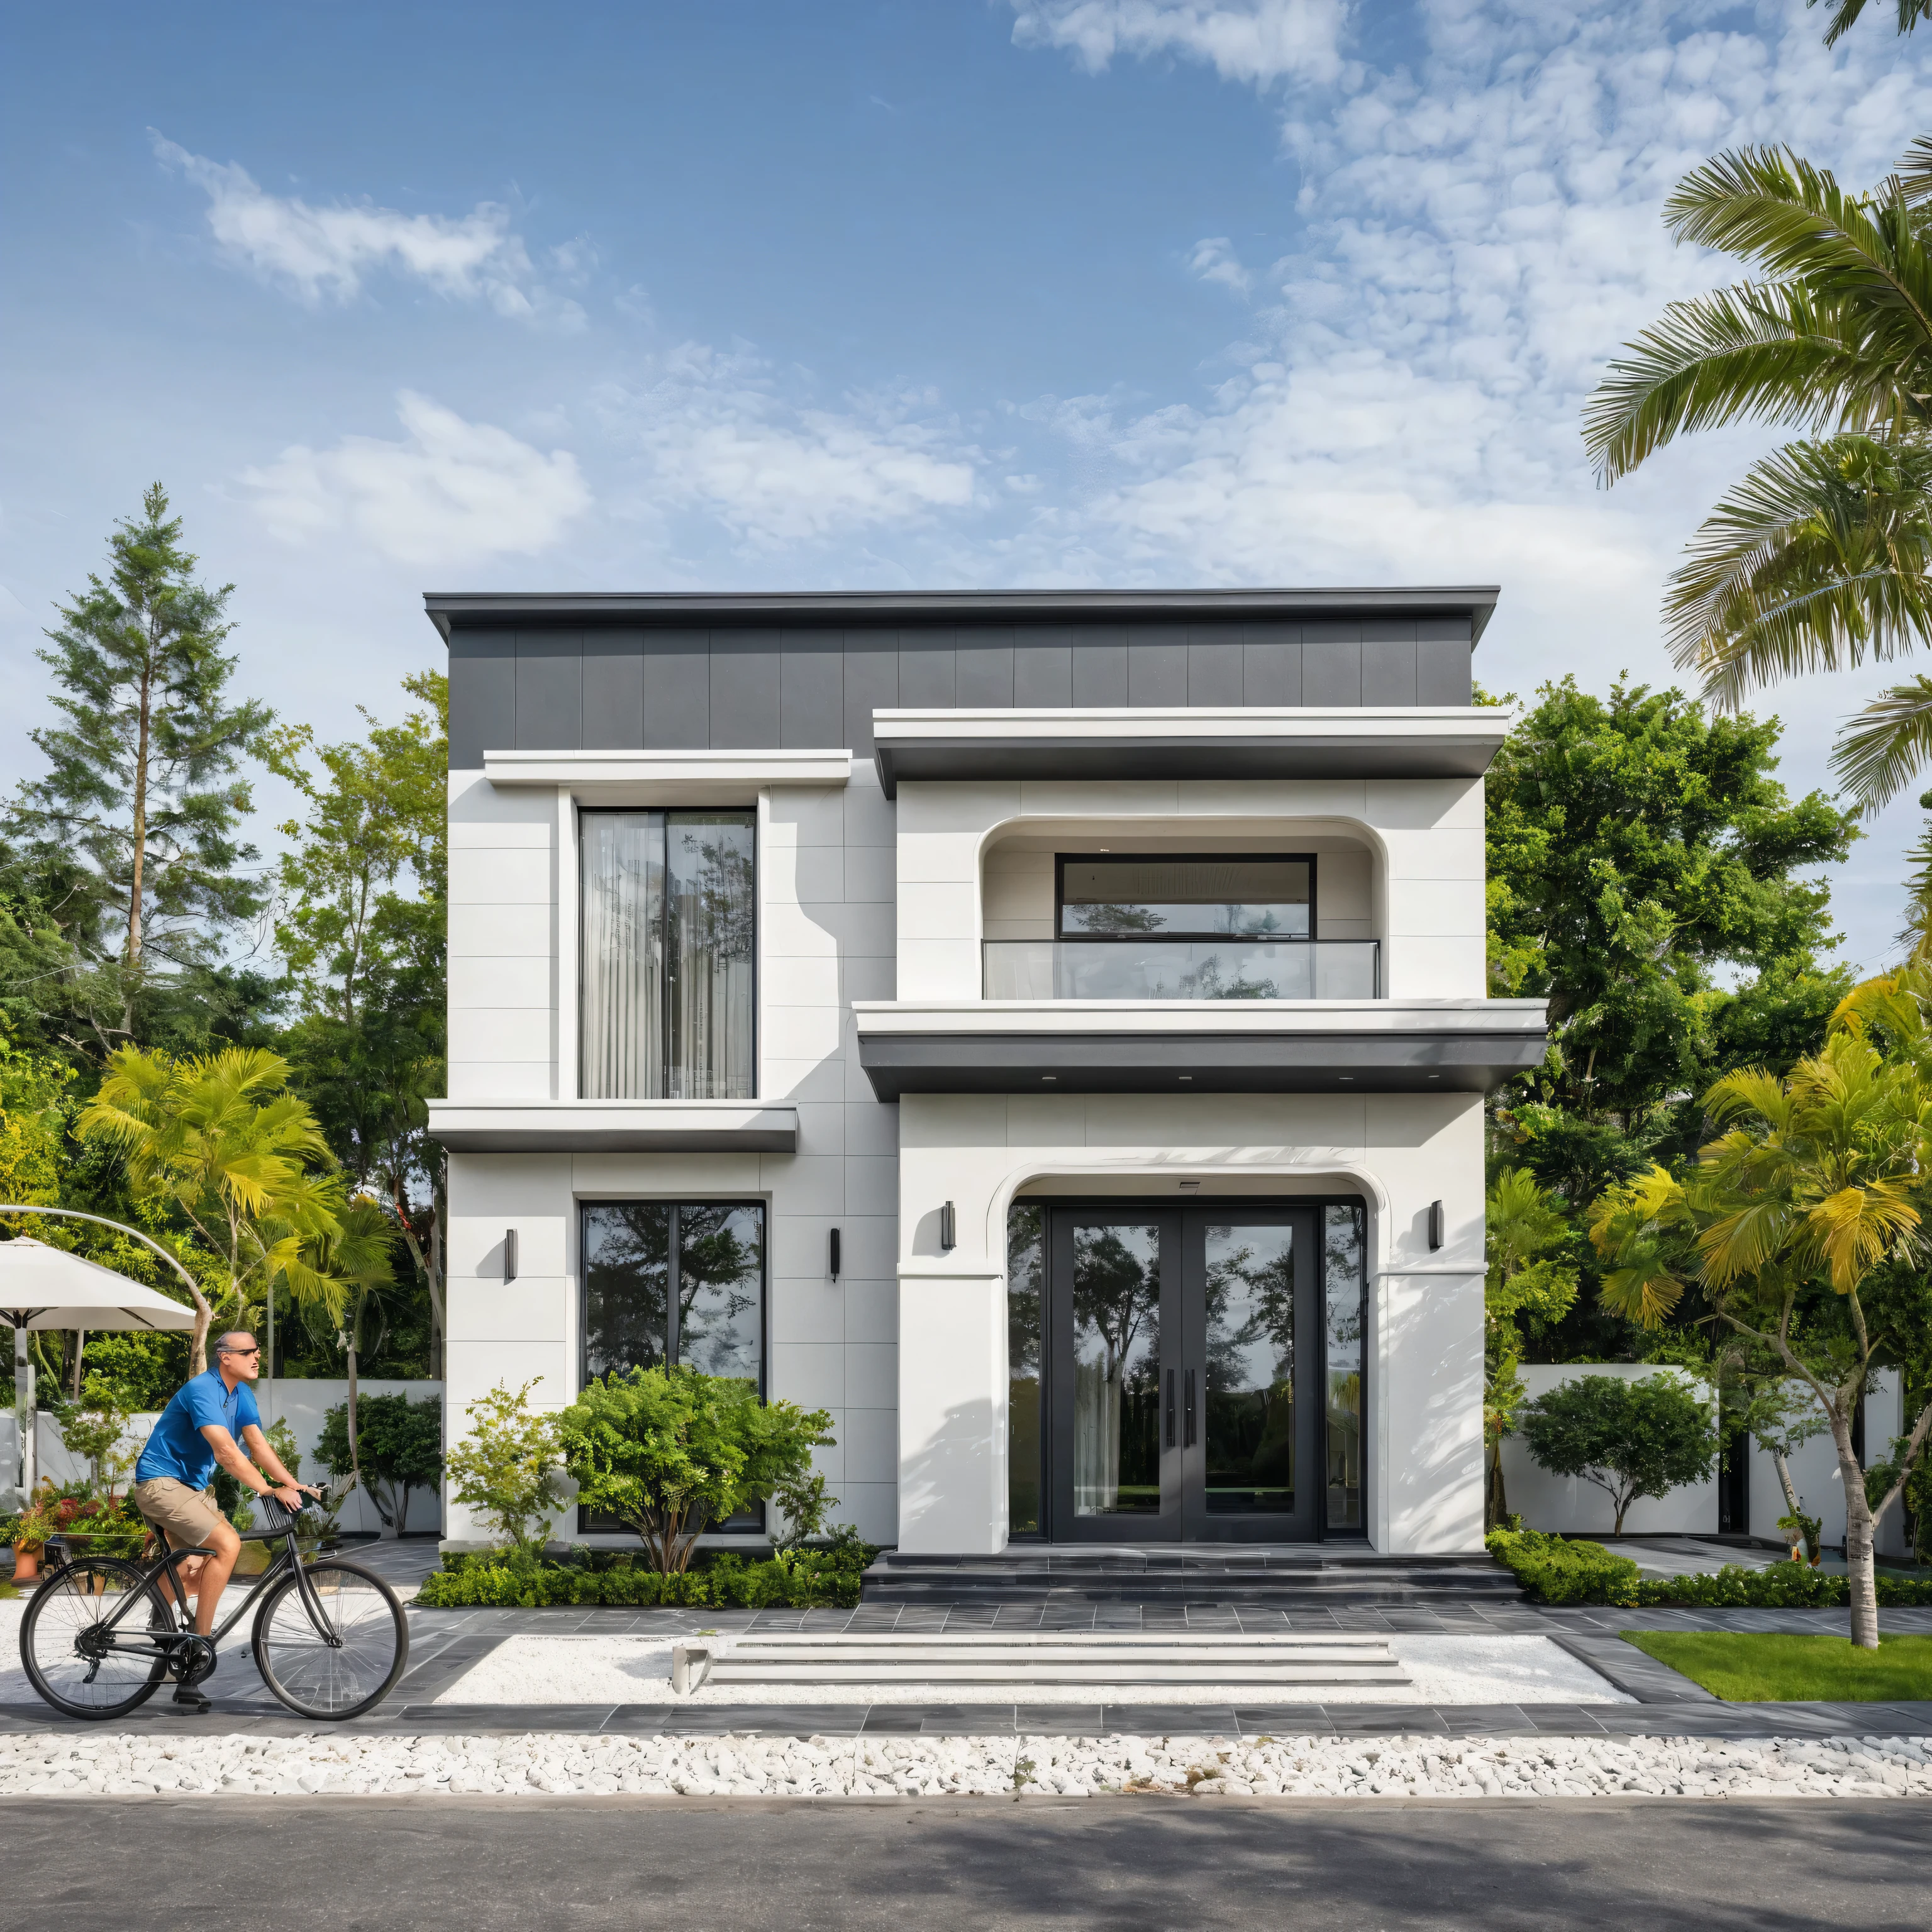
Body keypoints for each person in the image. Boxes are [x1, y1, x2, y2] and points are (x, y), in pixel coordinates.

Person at [130, 1330, 318, 1710]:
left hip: (192, 1490)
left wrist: (293, 1484)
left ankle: (173, 1653)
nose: (257, 1357)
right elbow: (227, 1451)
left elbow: (258, 1445)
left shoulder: (241, 1394)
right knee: (228, 1544)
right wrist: (267, 1490)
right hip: (161, 1483)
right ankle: (200, 1645)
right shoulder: (203, 1390)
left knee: (193, 1567)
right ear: (224, 1357)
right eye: (248, 1351)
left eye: (258, 1351)